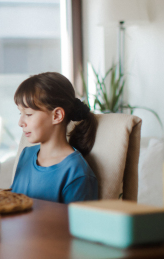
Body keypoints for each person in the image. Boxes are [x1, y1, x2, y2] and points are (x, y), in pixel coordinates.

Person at [11, 72, 99, 203]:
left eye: (28, 114)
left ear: (57, 115)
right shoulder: (26, 155)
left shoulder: (77, 174)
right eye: (20, 113)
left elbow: (79, 223)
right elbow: (14, 204)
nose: (20, 122)